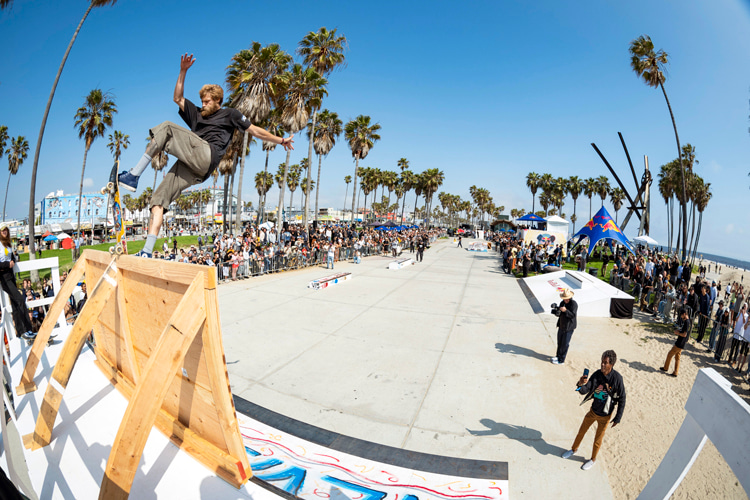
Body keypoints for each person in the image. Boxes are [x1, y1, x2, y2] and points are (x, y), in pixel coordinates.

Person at [118, 53, 294, 257]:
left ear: (218, 101)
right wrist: (183, 71)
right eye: (202, 101)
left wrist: (281, 140)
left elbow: (255, 130)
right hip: (195, 168)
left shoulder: (230, 114)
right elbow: (177, 98)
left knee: (166, 127)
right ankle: (147, 251)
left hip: (207, 154)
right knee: (158, 202)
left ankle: (134, 175)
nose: (203, 104)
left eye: (207, 101)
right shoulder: (197, 114)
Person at [561, 350, 626, 471]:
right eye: (602, 361)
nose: (602, 364)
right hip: (593, 412)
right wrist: (580, 384)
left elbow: (622, 398)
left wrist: (618, 417)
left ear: (611, 364)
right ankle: (573, 449)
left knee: (597, 440)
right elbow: (584, 390)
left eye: (605, 362)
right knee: (581, 431)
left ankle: (592, 459)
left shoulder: (617, 379)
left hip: (605, 417)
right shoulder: (597, 374)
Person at [0, 226, 34, 339]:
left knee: (15, 305)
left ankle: (20, 332)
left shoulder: (7, 244)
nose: (4, 232)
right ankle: (28, 329)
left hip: (11, 276)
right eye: (2, 230)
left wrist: (12, 261)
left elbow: (13, 257)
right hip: (4, 278)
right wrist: (7, 265)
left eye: (6, 230)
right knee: (20, 300)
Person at [551, 288, 578, 365]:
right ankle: (558, 356)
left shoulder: (574, 304)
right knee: (559, 342)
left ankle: (561, 360)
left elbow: (572, 315)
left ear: (569, 297)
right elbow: (560, 313)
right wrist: (556, 311)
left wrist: (565, 310)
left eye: (566, 299)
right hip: (561, 325)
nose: (565, 300)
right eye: (564, 299)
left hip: (569, 327)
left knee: (565, 344)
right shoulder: (562, 303)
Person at [661, 308, 690, 377]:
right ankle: (675, 372)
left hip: (680, 342)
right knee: (677, 357)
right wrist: (679, 331)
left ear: (684, 314)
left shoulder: (687, 322)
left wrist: (678, 333)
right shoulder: (687, 321)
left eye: (681, 315)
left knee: (670, 354)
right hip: (682, 342)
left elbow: (684, 334)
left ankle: (666, 368)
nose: (680, 316)